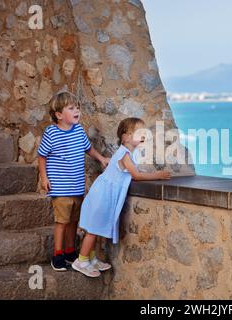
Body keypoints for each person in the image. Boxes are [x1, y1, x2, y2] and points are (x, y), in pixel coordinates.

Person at [72, 117, 171, 277]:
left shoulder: (129, 154)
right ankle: (81, 261)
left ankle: (91, 258)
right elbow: (136, 176)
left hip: (105, 194)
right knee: (93, 229)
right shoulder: (124, 154)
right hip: (102, 195)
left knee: (96, 228)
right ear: (126, 137)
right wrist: (157, 175)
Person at [37, 91, 110, 272]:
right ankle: (57, 255)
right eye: (71, 108)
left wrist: (101, 158)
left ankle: (70, 252)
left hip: (77, 187)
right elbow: (41, 156)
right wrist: (44, 178)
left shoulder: (78, 130)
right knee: (61, 222)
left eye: (77, 107)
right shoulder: (51, 133)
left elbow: (88, 149)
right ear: (59, 115)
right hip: (60, 188)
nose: (77, 110)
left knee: (73, 222)